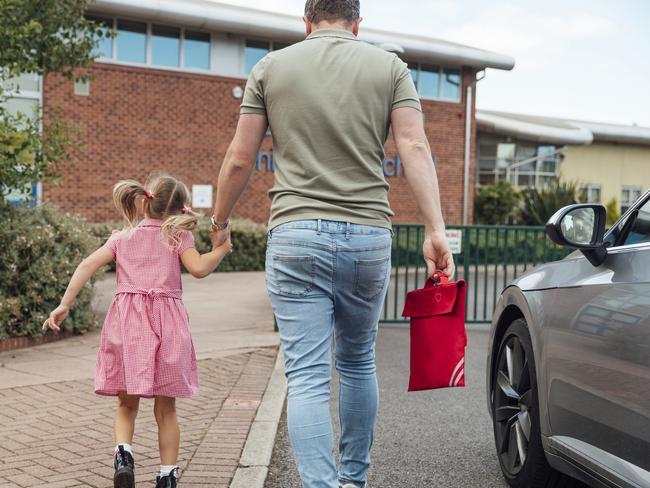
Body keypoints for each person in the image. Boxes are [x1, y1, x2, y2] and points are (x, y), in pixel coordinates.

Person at [210, 1, 454, 487]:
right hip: (367, 234)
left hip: (295, 233)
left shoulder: (270, 68)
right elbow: (414, 146)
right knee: (359, 361)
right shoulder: (390, 67)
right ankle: (354, 480)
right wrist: (436, 229)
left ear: (307, 22)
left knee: (305, 378)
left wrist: (219, 221)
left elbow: (240, 157)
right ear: (357, 22)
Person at [43, 174, 232, 488]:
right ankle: (167, 476)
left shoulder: (122, 237)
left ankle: (124, 454)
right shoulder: (178, 238)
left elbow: (87, 265)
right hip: (168, 327)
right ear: (178, 209)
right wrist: (222, 249)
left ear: (146, 201)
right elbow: (199, 268)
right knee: (166, 408)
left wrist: (65, 304)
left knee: (126, 404)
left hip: (128, 327)